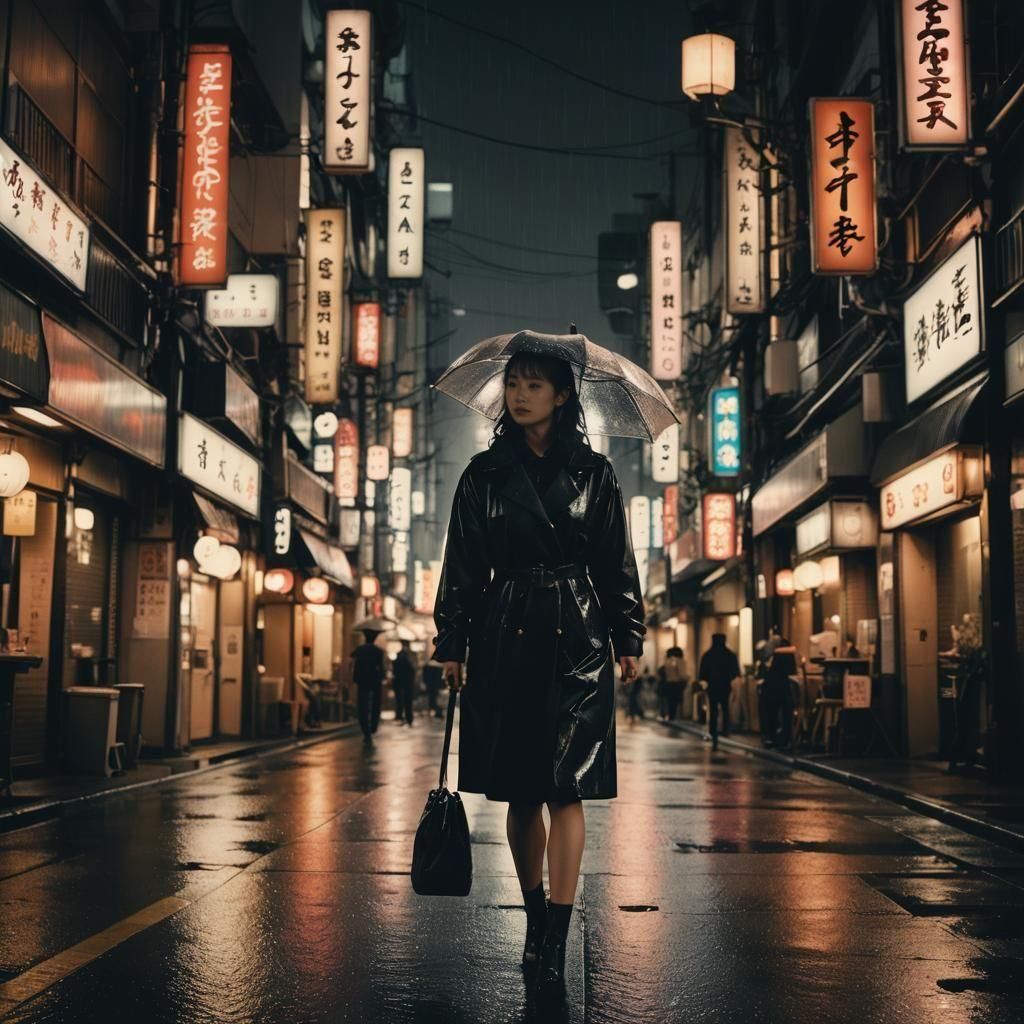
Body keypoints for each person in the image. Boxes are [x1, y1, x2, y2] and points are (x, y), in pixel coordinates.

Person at [434, 349, 644, 997]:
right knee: (521, 791)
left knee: (567, 787)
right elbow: (462, 563)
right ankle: (532, 917)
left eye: (534, 385)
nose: (520, 395)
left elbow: (616, 559)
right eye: (513, 384)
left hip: (578, 637)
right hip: (505, 631)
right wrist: (452, 642)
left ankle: (557, 932)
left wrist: (629, 634)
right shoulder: (484, 474)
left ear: (562, 396)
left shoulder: (594, 472)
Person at [697, 635, 740, 751]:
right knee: (725, 707)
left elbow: (702, 673)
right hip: (725, 685)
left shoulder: (708, 655)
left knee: (713, 709)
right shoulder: (729, 654)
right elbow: (736, 671)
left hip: (713, 686)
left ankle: (713, 730)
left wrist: (704, 682)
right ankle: (725, 729)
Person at [762, 637, 798, 749]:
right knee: (786, 713)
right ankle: (785, 738)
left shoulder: (776, 655)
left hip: (773, 685)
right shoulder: (788, 653)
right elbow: (792, 670)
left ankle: (772, 737)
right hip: (784, 685)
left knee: (772, 713)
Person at [351, 629, 385, 744]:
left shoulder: (360, 650)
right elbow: (381, 667)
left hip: (362, 681)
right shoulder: (378, 651)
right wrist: (382, 678)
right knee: (376, 704)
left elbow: (352, 657)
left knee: (362, 707)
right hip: (375, 680)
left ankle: (366, 731)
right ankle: (373, 727)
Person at [658, 646, 687, 722]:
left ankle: (671, 716)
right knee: (676, 701)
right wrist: (687, 678)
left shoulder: (667, 661)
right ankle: (676, 717)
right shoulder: (680, 661)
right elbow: (682, 674)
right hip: (677, 683)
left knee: (670, 701)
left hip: (668, 683)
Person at [392, 640, 416, 726]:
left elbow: (414, 667)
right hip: (401, 681)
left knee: (407, 700)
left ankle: (407, 718)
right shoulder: (400, 654)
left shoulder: (411, 655)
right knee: (401, 700)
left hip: (406, 681)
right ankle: (401, 717)